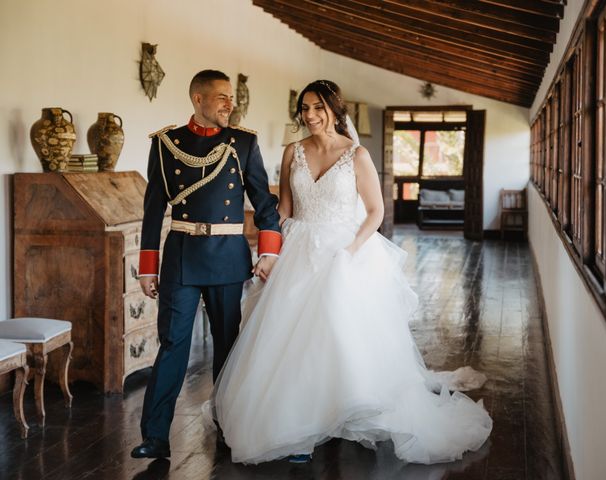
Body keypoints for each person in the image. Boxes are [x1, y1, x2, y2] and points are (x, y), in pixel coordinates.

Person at [211, 80, 492, 465]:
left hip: (346, 252)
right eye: (305, 108)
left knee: (338, 335)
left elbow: (375, 211)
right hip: (299, 250)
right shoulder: (293, 151)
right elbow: (286, 209)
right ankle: (297, 425)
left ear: (334, 109)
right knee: (291, 339)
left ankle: (345, 409)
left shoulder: (356, 155)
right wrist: (268, 249)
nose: (309, 115)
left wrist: (350, 251)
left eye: (317, 108)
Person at [130, 69, 281, 459]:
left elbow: (264, 202)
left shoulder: (244, 143)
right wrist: (148, 267)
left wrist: (269, 251)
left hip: (228, 256)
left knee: (227, 345)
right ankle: (155, 435)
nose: (230, 104)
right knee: (173, 344)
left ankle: (229, 425)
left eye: (231, 97)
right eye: (221, 97)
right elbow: (152, 209)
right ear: (198, 99)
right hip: (181, 255)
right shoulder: (166, 144)